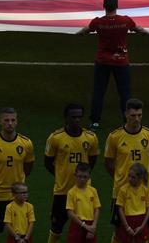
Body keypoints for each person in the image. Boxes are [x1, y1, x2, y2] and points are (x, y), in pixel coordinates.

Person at [76, 0, 149, 130]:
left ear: (104, 6)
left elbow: (85, 30)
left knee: (99, 92)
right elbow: (138, 29)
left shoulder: (98, 22)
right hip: (121, 62)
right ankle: (127, 119)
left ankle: (95, 121)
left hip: (102, 61)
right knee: (125, 93)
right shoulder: (125, 21)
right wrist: (146, 33)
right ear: (117, 6)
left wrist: (76, 34)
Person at [104, 99, 149, 237]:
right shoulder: (114, 137)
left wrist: (143, 178)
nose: (137, 119)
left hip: (146, 190)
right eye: (133, 115)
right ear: (126, 115)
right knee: (119, 230)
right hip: (121, 190)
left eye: (140, 115)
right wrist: (120, 177)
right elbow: (108, 162)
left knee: (145, 229)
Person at [44, 104, 99, 243]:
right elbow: (47, 162)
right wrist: (60, 175)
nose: (77, 120)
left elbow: (92, 160)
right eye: (73, 117)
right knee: (56, 226)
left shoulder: (91, 137)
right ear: (66, 118)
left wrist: (83, 177)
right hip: (62, 191)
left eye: (80, 117)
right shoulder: (56, 138)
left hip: (84, 192)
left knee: (85, 228)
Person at [0, 108, 35, 243]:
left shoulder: (26, 143)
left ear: (17, 122)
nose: (10, 123)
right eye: (6, 120)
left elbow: (28, 166)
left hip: (17, 195)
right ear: (0, 122)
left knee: (21, 232)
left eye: (13, 120)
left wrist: (18, 185)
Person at [115, 164, 149, 243]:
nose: (130, 179)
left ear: (140, 178)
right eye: (129, 176)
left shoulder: (146, 191)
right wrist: (127, 227)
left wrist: (142, 226)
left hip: (141, 221)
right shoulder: (123, 190)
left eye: (133, 177)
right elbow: (120, 209)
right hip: (127, 221)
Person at [65, 164, 99, 243]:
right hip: (77, 225)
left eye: (85, 177)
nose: (82, 179)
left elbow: (97, 209)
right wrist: (84, 226)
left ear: (89, 176)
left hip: (91, 225)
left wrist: (94, 226)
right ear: (75, 175)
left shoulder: (93, 191)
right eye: (79, 176)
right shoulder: (71, 192)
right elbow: (70, 212)